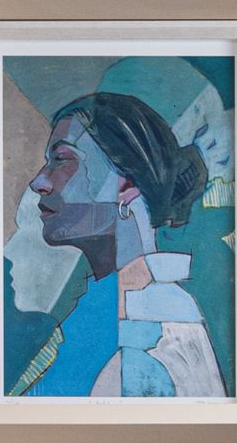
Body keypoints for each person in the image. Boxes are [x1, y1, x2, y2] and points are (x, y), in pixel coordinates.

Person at [21, 90, 225, 398]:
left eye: (61, 160)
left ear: (126, 183)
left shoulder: (156, 326)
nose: (38, 181)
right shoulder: (98, 310)